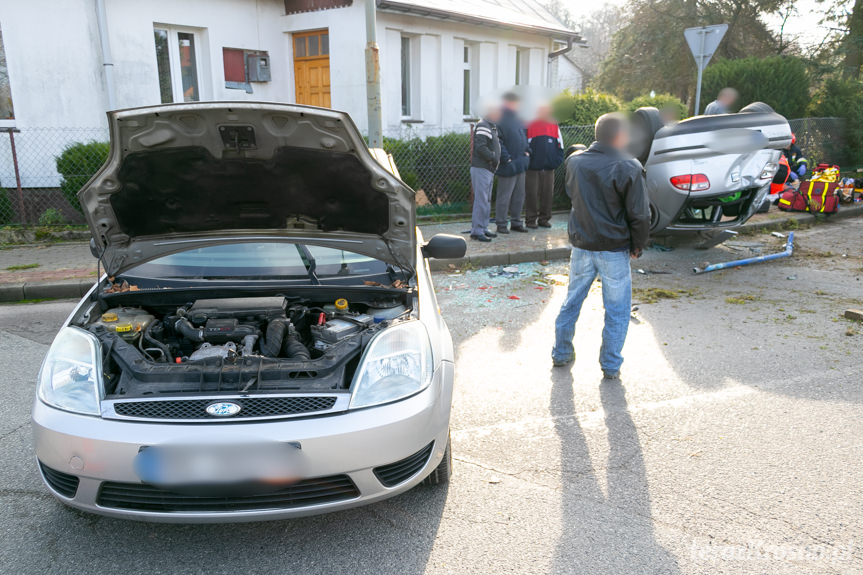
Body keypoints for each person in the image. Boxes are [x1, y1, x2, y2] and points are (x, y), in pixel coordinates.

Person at [551, 113, 651, 380]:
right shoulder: (629, 166)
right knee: (617, 310)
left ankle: (560, 353)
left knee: (571, 301)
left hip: (582, 244)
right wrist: (638, 245)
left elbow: (571, 195)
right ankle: (610, 366)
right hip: (614, 248)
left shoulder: (575, 162)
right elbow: (640, 214)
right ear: (620, 136)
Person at [494, 92, 530, 234]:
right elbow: (497, 141)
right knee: (504, 196)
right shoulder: (499, 118)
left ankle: (516, 222)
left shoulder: (518, 118)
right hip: (507, 165)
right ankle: (501, 224)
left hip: (520, 163)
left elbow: (523, 136)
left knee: (519, 196)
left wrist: (528, 152)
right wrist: (506, 158)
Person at [525, 104, 564, 229]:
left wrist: (556, 161)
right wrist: (529, 162)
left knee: (547, 194)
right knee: (531, 194)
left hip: (549, 168)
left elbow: (560, 146)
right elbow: (524, 145)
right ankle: (530, 220)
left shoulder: (554, 125)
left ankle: (544, 219)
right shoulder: (530, 124)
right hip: (532, 168)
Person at [469, 106, 502, 242]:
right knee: (481, 200)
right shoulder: (483, 125)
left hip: (488, 169)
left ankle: (483, 227)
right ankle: (477, 231)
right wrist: (494, 157)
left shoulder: (491, 127)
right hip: (482, 168)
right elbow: (481, 147)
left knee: (486, 200)